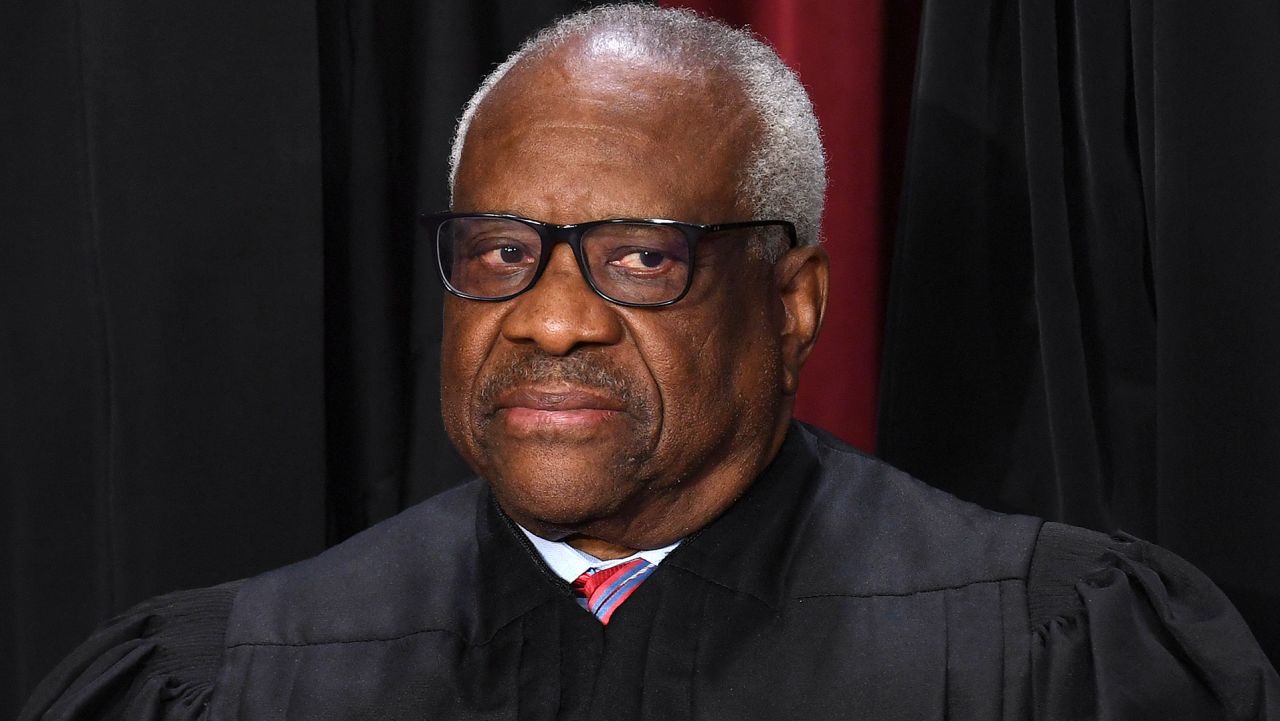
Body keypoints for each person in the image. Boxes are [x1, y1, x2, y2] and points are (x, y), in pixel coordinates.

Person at [20, 5, 1279, 720]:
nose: (547, 320)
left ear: (792, 302)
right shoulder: (236, 679)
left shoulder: (1047, 653)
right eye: (502, 249)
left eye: (636, 258)